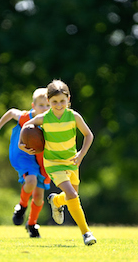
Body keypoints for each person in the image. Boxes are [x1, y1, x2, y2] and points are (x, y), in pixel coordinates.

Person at [19, 80, 97, 246]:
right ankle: (86, 233)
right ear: (48, 101)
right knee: (73, 195)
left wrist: (81, 154)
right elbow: (26, 125)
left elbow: (89, 135)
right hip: (53, 164)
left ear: (69, 99)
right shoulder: (44, 118)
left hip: (72, 162)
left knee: (70, 197)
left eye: (62, 101)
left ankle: (56, 201)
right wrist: (21, 144)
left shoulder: (74, 116)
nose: (59, 105)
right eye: (54, 102)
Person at [0, 88, 51, 238]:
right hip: (24, 156)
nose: (45, 108)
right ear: (33, 106)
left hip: (42, 160)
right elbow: (10, 112)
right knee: (31, 181)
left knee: (39, 197)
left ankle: (32, 224)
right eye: (41, 105)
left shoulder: (52, 121)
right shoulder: (25, 117)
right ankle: (22, 206)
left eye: (48, 105)